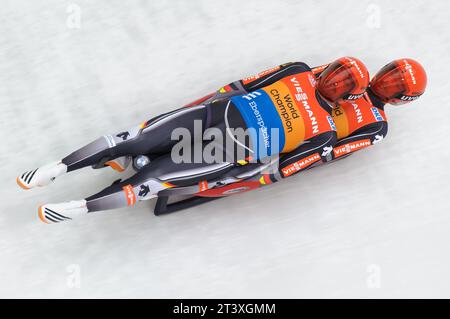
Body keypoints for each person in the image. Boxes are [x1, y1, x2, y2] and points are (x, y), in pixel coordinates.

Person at [17, 57, 369, 224]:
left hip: (230, 151)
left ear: (348, 98)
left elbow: (287, 167)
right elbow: (244, 84)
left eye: (342, 84)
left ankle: (80, 207)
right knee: (133, 138)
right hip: (210, 115)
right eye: (336, 73)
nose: (333, 82)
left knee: (150, 182)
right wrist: (204, 101)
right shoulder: (298, 71)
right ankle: (58, 167)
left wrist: (241, 181)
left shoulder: (324, 132)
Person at [313, 58, 427, 162]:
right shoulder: (354, 73)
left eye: (396, 85)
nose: (387, 82)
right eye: (390, 74)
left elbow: (332, 151)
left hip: (305, 134)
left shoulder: (378, 126)